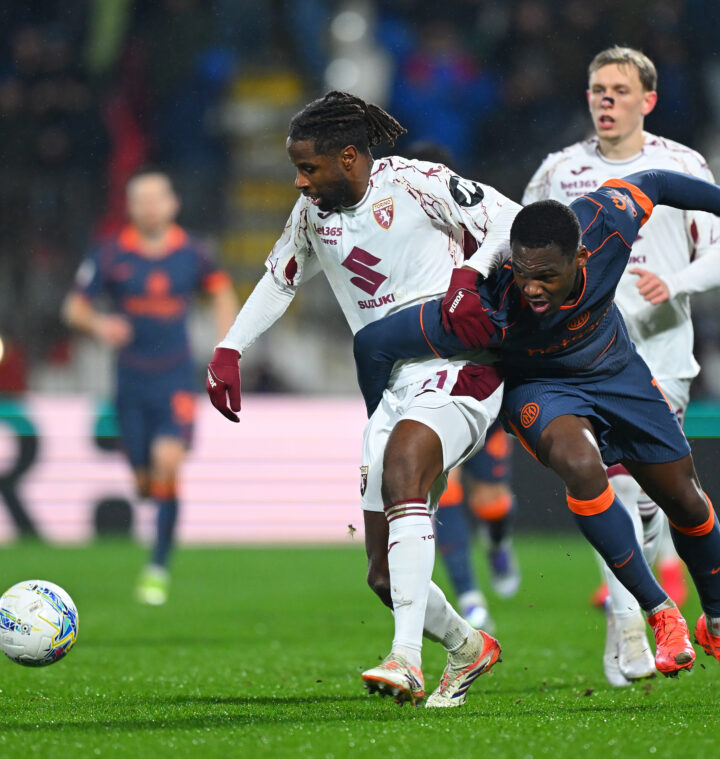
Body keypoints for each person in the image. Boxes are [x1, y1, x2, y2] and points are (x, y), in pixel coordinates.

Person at [353, 168, 720, 708]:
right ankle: (659, 610)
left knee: (686, 503)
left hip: (616, 373)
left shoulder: (604, 225)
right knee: (580, 466)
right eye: (522, 273)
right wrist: (379, 421)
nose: (531, 287)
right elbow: (374, 343)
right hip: (541, 391)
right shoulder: (484, 306)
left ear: (581, 260)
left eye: (546, 277)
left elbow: (661, 183)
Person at [205, 91, 514, 707]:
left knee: (404, 473)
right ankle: (467, 646)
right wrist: (230, 348)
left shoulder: (419, 183)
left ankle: (406, 660)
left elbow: (514, 222)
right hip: (392, 384)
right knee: (382, 574)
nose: (299, 180)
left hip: (459, 367)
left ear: (349, 157)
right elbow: (278, 278)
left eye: (309, 168)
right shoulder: (310, 213)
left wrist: (470, 274)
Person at [523, 46, 720, 687]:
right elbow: (516, 244)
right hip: (578, 365)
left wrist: (672, 281)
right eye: (596, 89)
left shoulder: (679, 166)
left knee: (652, 499)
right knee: (610, 489)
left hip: (660, 359)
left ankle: (645, 616)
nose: (605, 99)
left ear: (649, 99)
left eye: (619, 89)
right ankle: (633, 628)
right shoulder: (560, 172)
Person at [62, 168, 238, 606]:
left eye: (157, 198)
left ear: (172, 204)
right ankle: (153, 522)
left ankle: (158, 566)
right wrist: (101, 323)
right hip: (130, 381)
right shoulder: (110, 254)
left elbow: (221, 293)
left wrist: (226, 346)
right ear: (131, 207)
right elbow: (73, 308)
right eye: (141, 200)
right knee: (144, 482)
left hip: (175, 378)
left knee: (167, 463)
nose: (150, 207)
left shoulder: (193, 253)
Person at [402, 141, 520, 633]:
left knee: (489, 495)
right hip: (429, 377)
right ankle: (470, 597)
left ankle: (497, 543)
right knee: (439, 493)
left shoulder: (483, 223)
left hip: (480, 375)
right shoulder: (403, 239)